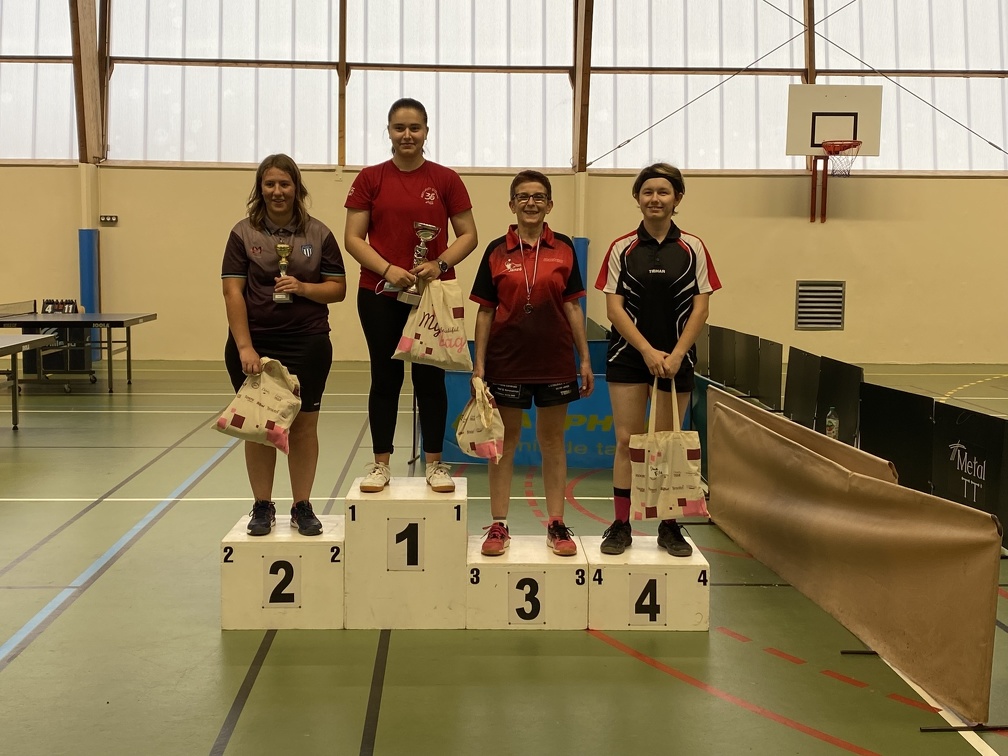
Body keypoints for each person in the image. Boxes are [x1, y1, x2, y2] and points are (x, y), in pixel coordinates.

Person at [344, 97, 478, 494]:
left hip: (432, 296)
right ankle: (380, 463)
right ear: (388, 131)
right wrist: (387, 269)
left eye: (415, 128)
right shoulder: (370, 178)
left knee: (430, 380)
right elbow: (353, 237)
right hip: (378, 293)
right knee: (384, 379)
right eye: (399, 128)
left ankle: (435, 464)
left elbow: (468, 234)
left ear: (426, 132)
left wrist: (437, 264)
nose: (407, 135)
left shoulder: (446, 179)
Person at [594, 162, 721, 557]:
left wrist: (677, 354)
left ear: (677, 198)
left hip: (676, 362)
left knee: (667, 445)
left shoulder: (694, 248)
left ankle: (669, 526)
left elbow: (701, 309)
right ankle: (620, 525)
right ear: (638, 198)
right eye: (647, 192)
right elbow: (614, 309)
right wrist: (648, 352)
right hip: (629, 358)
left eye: (663, 192)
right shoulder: (621, 248)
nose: (655, 199)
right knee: (626, 442)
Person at [222, 154, 347, 537]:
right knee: (259, 426)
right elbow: (232, 291)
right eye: (270, 184)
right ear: (260, 188)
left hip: (307, 342)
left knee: (304, 427)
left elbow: (338, 289)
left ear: (297, 188)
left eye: (285, 184)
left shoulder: (319, 234)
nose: (277, 191)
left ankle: (302, 505)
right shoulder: (243, 233)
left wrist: (302, 287)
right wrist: (245, 347)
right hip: (256, 343)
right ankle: (263, 505)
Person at [471, 170, 594, 556]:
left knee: (552, 442)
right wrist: (479, 366)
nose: (531, 203)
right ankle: (499, 525)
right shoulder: (495, 250)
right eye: (523, 197)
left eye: (539, 197)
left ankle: (556, 525)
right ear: (511, 204)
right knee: (504, 444)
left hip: (555, 360)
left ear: (549, 205)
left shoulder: (565, 249)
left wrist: (585, 358)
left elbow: (573, 306)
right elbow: (485, 313)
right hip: (507, 361)